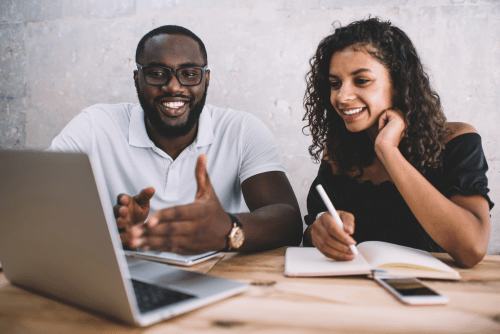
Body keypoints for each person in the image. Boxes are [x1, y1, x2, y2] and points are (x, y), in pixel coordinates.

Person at [48, 25, 303, 254]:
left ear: (206, 79)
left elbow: (289, 222)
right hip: (123, 281)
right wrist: (110, 229)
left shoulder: (242, 130)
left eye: (189, 73)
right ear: (137, 79)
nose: (173, 86)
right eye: (157, 73)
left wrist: (227, 230)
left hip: (216, 279)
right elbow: (35, 200)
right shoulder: (95, 125)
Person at [302, 17, 493, 268]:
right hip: (354, 292)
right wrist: (320, 232)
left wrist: (388, 150)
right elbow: (312, 231)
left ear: (399, 83)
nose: (342, 96)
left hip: (435, 291)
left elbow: (471, 248)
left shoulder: (457, 141)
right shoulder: (339, 150)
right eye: (335, 84)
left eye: (361, 80)